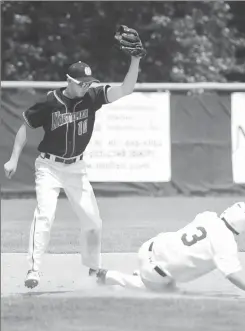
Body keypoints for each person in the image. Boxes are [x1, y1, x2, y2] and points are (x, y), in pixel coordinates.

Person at [4, 26, 145, 289]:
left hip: (76, 167)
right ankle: (34, 269)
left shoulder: (92, 97)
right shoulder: (50, 102)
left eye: (88, 83)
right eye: (81, 83)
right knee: (45, 215)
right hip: (48, 166)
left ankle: (93, 269)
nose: (86, 87)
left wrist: (135, 60)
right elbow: (25, 126)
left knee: (93, 220)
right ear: (69, 81)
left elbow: (125, 89)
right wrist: (13, 159)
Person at [96, 202, 245, 298]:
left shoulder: (208, 216)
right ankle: (111, 276)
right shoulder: (226, 243)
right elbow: (231, 274)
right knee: (172, 295)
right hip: (156, 273)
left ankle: (138, 274)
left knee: (164, 274)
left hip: (149, 246)